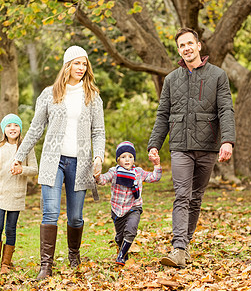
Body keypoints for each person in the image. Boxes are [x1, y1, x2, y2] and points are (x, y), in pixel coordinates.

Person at [11, 45, 105, 280]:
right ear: (67, 65)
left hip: (81, 163)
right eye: (76, 63)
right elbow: (35, 129)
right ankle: (46, 266)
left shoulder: (92, 96)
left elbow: (99, 131)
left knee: (75, 216)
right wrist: (19, 155)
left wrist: (99, 156)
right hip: (54, 162)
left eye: (84, 64)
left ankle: (74, 256)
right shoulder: (49, 94)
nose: (81, 68)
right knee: (50, 213)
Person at [147, 28, 236, 268]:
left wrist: (227, 140)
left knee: (196, 198)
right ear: (179, 51)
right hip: (180, 147)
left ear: (198, 45)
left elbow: (225, 109)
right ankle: (178, 248)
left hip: (207, 147)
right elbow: (163, 114)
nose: (186, 48)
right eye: (181, 46)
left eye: (189, 43)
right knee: (182, 195)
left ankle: (184, 246)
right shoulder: (171, 79)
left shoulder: (218, 76)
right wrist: (155, 143)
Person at [0, 113, 38, 275]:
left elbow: (34, 170)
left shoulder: (26, 147)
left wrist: (22, 169)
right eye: (9, 126)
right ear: (3, 130)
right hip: (0, 194)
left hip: (17, 195)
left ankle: (6, 263)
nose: (12, 128)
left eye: (16, 125)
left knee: (11, 229)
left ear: (20, 128)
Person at [94, 141, 162, 265]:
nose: (127, 160)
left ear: (134, 159)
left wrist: (156, 165)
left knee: (131, 230)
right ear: (118, 159)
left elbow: (154, 177)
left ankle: (120, 256)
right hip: (117, 210)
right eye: (123, 157)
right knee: (120, 237)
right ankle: (123, 252)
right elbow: (103, 180)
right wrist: (98, 177)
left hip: (133, 207)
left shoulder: (139, 173)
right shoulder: (114, 172)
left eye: (130, 157)